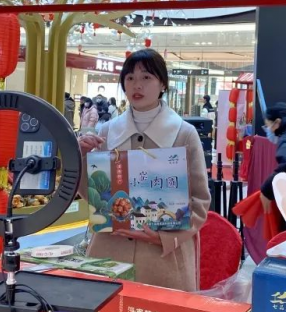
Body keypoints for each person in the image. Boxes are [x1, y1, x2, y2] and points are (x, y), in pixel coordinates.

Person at [79, 49, 210, 292]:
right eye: (130, 78)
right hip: (109, 254)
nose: (137, 85)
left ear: (163, 84)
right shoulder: (106, 132)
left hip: (164, 258)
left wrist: (164, 238)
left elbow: (200, 201)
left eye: (146, 77)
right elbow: (93, 196)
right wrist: (82, 156)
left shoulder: (183, 133)